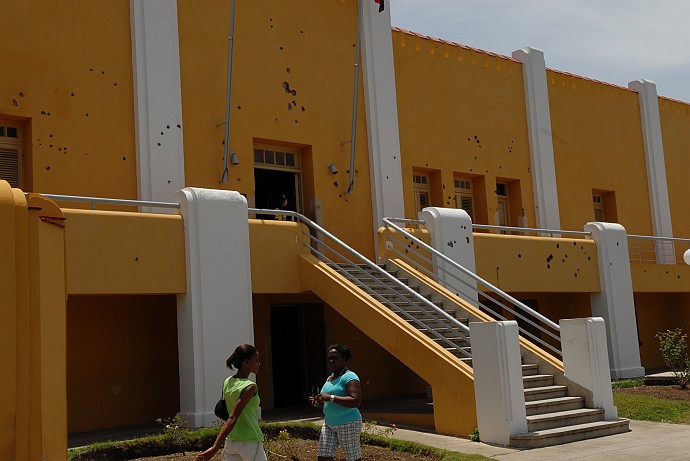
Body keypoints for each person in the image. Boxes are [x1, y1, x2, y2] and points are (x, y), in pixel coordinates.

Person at [195, 344, 267, 461]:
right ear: (246, 363)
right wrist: (214, 448)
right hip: (250, 442)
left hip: (231, 442)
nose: (259, 364)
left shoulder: (227, 382)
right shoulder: (250, 387)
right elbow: (233, 417)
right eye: (256, 360)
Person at [309, 344, 363, 461]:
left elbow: (355, 401)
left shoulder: (350, 376)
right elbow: (327, 400)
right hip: (329, 424)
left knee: (352, 458)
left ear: (344, 359)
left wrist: (331, 397)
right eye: (329, 358)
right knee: (323, 457)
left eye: (335, 358)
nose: (331, 361)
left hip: (348, 423)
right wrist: (317, 402)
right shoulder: (330, 378)